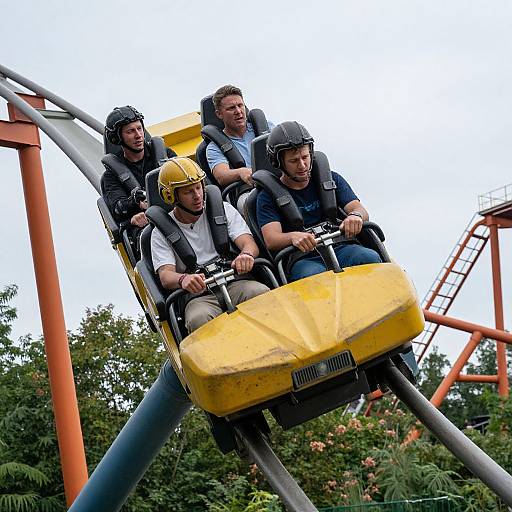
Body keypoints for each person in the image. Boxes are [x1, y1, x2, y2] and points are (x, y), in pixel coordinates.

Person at [151, 157, 269, 332]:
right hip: (199, 296)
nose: (197, 195)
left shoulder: (223, 209)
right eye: (188, 192)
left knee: (261, 293)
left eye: (199, 187)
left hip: (235, 281)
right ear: (172, 196)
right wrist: (184, 279)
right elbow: (166, 276)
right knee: (198, 318)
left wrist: (246, 255)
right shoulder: (160, 232)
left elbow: (249, 244)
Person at [256, 121, 381, 281]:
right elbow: (271, 239)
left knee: (369, 257)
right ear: (278, 162)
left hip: (341, 246)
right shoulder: (267, 197)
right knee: (313, 279)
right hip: (304, 258)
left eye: (305, 157)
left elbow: (360, 209)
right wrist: (293, 237)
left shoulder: (330, 179)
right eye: (294, 161)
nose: (302, 165)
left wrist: (355, 216)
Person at [102, 105, 177, 229]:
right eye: (130, 131)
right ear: (118, 137)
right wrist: (134, 202)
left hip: (178, 213)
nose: (138, 135)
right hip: (146, 228)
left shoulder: (165, 154)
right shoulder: (111, 176)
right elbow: (117, 209)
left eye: (139, 128)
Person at [205, 84, 274, 211]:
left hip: (278, 180)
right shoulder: (214, 147)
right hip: (248, 191)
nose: (238, 111)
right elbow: (221, 175)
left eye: (240, 105)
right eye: (231, 108)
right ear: (219, 114)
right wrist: (240, 172)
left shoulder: (267, 127)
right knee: (252, 203)